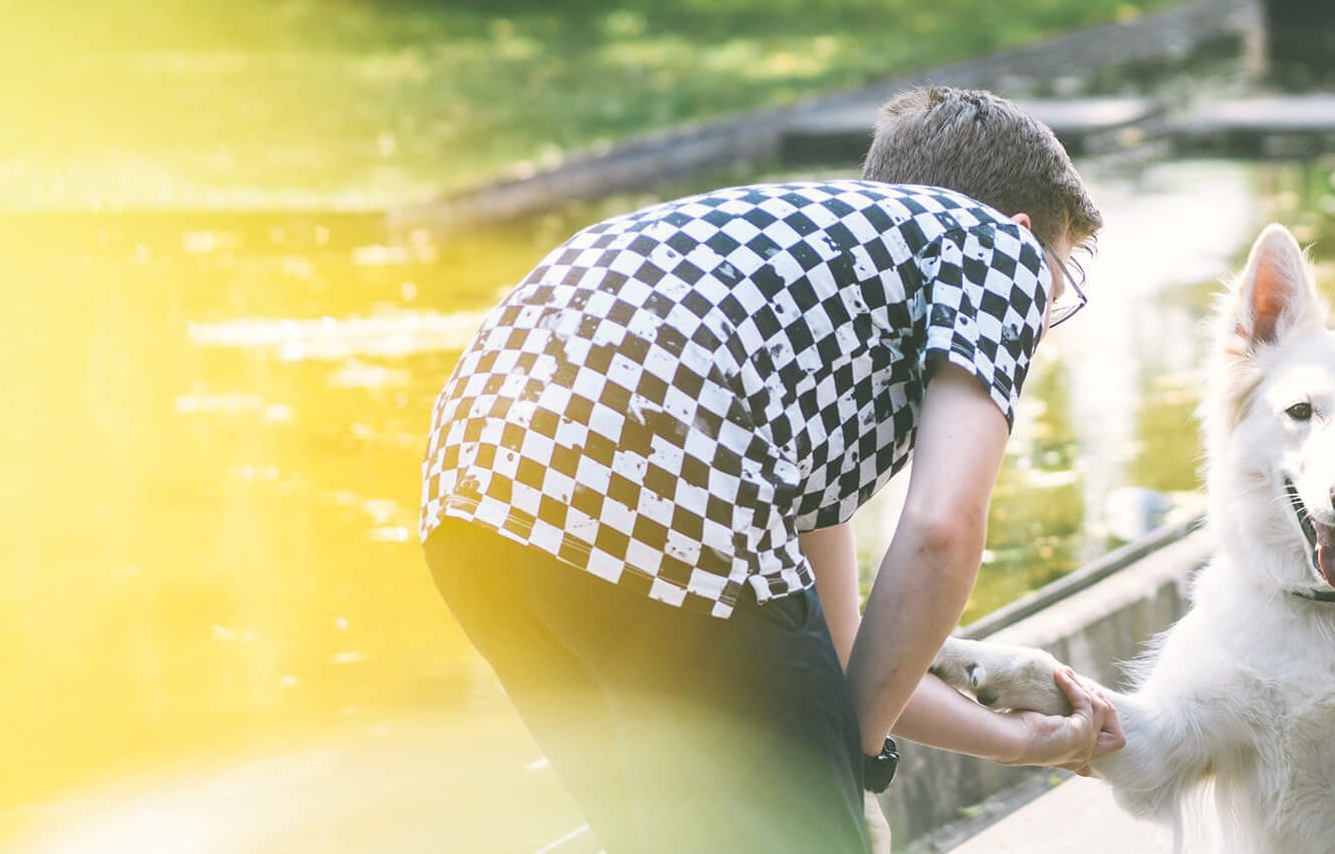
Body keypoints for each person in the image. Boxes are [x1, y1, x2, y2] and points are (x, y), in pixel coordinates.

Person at [418, 86, 1123, 853]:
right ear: (1023, 229)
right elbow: (943, 528)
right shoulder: (997, 246)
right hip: (661, 477)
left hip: (476, 493)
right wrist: (834, 778)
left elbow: (845, 658)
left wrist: (1027, 744)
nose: (1046, 311)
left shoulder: (812, 295)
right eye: (1065, 275)